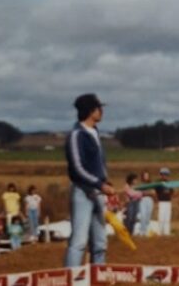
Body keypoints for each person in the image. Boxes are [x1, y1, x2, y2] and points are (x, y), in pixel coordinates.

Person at [64, 93, 115, 268]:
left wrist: (105, 183)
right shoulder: (76, 135)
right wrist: (100, 184)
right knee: (79, 242)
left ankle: (98, 277)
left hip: (98, 193)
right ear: (90, 111)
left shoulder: (95, 132)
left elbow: (99, 164)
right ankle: (70, 278)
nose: (101, 111)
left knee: (100, 243)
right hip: (82, 193)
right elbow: (77, 168)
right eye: (98, 108)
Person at [134, 171, 155, 237]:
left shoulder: (151, 184)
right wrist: (147, 192)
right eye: (145, 175)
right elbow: (138, 193)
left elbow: (153, 193)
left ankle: (146, 231)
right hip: (142, 200)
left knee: (148, 216)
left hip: (150, 200)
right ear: (142, 177)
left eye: (147, 175)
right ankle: (142, 231)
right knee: (143, 215)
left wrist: (145, 192)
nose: (146, 177)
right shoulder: (141, 185)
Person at [122, 174, 143, 238]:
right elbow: (131, 194)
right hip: (130, 203)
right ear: (131, 180)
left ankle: (131, 233)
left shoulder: (136, 186)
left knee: (134, 218)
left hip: (136, 202)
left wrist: (136, 194)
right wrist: (137, 194)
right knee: (129, 217)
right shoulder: (127, 186)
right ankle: (126, 232)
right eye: (135, 179)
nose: (136, 181)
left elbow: (140, 194)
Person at [157, 167, 175, 236]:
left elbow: (172, 192)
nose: (165, 176)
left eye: (166, 174)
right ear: (161, 175)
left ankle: (167, 232)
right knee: (161, 217)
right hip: (161, 202)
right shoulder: (158, 183)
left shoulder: (169, 183)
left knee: (167, 217)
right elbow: (155, 192)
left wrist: (171, 197)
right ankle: (160, 232)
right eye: (163, 174)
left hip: (168, 202)